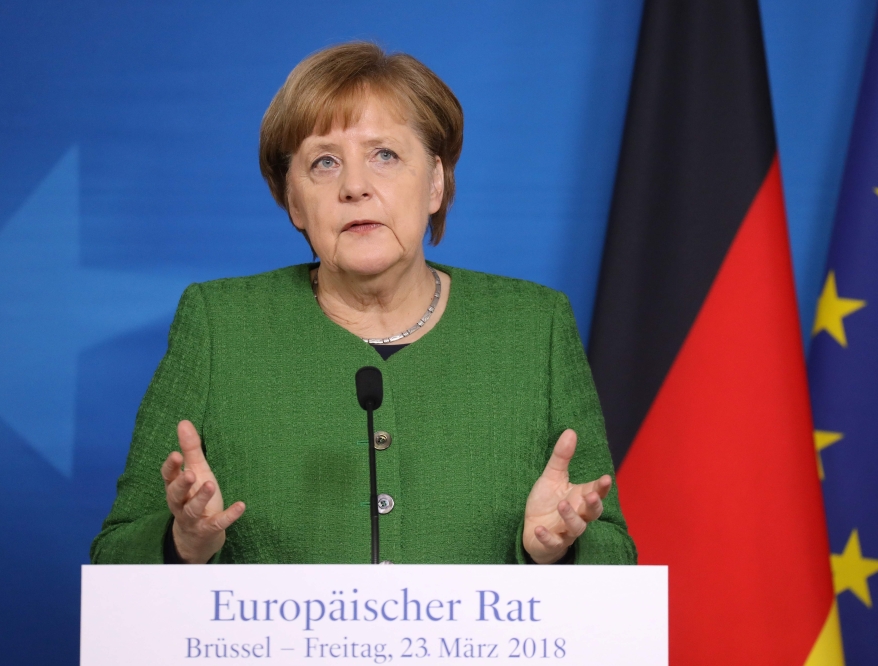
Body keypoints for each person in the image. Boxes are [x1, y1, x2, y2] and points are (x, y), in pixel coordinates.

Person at [90, 42, 636, 566]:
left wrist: (556, 549)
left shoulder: (532, 326)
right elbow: (113, 557)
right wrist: (182, 542)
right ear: (293, 201)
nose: (355, 185)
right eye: (324, 163)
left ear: (436, 184)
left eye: (385, 155)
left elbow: (616, 556)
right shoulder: (219, 323)